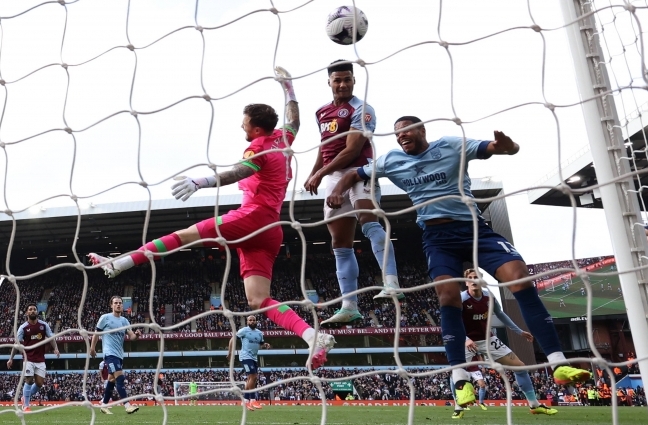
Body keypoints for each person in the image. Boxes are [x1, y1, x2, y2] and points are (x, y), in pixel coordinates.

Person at [325, 116, 592, 407]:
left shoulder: (451, 146)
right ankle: (460, 379)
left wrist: (507, 146)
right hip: (437, 238)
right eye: (398, 133)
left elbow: (497, 148)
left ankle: (558, 362)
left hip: (475, 229)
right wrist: (338, 190)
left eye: (407, 130)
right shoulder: (392, 160)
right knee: (448, 297)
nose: (402, 136)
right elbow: (355, 174)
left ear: (422, 130)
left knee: (520, 278)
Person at [88, 68, 335, 368]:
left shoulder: (257, 149)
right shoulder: (283, 138)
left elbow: (238, 172)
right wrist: (289, 89)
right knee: (258, 300)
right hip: (272, 229)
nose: (241, 126)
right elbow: (294, 119)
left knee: (186, 235)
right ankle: (311, 336)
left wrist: (199, 182)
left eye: (245, 123)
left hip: (252, 218)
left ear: (256, 129)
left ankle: (122, 262)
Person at [305, 60, 402, 328]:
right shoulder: (321, 112)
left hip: (361, 170)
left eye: (347, 79)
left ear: (354, 80)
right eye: (337, 80)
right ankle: (349, 306)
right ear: (329, 82)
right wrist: (315, 171)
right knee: (339, 242)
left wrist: (320, 173)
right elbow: (324, 147)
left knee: (369, 220)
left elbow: (351, 149)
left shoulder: (362, 109)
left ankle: (391, 282)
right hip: (333, 173)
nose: (343, 84)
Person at [450, 268, 558, 418]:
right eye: (471, 278)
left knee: (520, 367)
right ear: (466, 283)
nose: (474, 280)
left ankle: (534, 405)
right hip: (467, 341)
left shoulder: (489, 297)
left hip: (488, 339)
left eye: (477, 277)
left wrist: (519, 331)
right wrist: (465, 339)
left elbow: (501, 314)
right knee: (457, 372)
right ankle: (458, 408)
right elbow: (452, 322)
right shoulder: (460, 299)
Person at [90, 295, 142, 415]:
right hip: (109, 354)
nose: (118, 305)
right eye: (116, 303)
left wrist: (137, 335)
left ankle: (104, 405)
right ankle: (127, 405)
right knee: (120, 377)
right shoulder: (105, 318)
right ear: (111, 305)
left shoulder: (124, 321)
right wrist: (92, 348)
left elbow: (132, 337)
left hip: (119, 355)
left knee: (112, 380)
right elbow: (96, 334)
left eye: (120, 303)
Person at [7, 304, 60, 412]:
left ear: (37, 312)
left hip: (40, 359)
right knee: (29, 380)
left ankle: (24, 397)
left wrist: (56, 348)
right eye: (30, 310)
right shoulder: (23, 328)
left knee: (39, 383)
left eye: (34, 309)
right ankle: (26, 405)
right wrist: (10, 358)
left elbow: (51, 337)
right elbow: (16, 343)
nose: (32, 311)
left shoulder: (43, 325)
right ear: (27, 313)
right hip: (28, 358)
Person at [228, 315, 270, 411]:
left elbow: (261, 343)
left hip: (254, 358)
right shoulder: (244, 331)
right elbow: (232, 339)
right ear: (247, 322)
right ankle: (253, 399)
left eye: (253, 320)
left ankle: (246, 401)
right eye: (250, 320)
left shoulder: (259, 333)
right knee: (253, 377)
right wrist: (230, 352)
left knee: (251, 379)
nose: (252, 321)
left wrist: (265, 345)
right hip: (245, 357)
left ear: (256, 321)